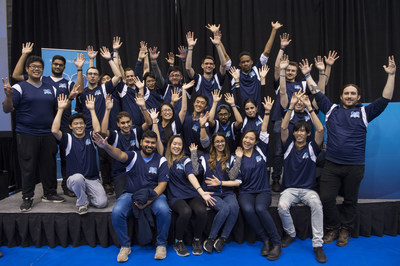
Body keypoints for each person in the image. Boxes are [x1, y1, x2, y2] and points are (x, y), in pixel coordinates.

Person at [309, 56, 396, 247]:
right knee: (326, 198)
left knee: (350, 200)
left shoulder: (365, 112)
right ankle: (332, 228)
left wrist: (391, 75)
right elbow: (316, 92)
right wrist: (308, 74)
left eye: (353, 94)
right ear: (341, 96)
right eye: (346, 93)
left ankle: (345, 230)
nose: (349, 96)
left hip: (354, 166)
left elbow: (385, 99)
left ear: (358, 97)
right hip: (331, 165)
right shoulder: (331, 109)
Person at [12, 42, 85, 197]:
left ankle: (66, 187)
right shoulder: (42, 80)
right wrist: (24, 54)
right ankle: (35, 193)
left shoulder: (66, 82)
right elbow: (16, 76)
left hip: (65, 125)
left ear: (65, 68)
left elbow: (79, 89)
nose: (58, 67)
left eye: (61, 65)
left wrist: (79, 69)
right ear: (51, 65)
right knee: (43, 161)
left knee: (66, 158)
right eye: (55, 64)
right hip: (47, 127)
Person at [93, 130, 171, 262]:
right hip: (131, 194)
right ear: (141, 142)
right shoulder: (133, 155)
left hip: (153, 195)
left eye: (153, 143)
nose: (150, 145)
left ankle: (161, 244)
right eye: (147, 142)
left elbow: (162, 185)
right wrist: (106, 146)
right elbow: (119, 155)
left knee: (164, 211)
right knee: (117, 211)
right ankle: (125, 246)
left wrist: (148, 199)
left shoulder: (161, 160)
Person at [2, 56, 66, 212]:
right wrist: (8, 96)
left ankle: (50, 193)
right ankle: (27, 197)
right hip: (26, 133)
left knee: (49, 165)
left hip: (47, 134)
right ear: (27, 69)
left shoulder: (51, 88)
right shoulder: (19, 87)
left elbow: (57, 108)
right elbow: (6, 109)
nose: (37, 69)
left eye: (39, 67)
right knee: (28, 166)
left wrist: (69, 98)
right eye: (33, 66)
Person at [278, 92, 327, 263]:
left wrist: (309, 107)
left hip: (308, 190)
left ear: (307, 133)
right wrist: (291, 105)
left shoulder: (313, 147)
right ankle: (291, 233)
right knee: (281, 206)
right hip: (290, 189)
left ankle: (318, 245)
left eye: (303, 131)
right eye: (297, 131)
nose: (299, 133)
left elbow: (320, 129)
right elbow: (284, 128)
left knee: (317, 205)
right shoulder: (289, 146)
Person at [76, 46, 122, 195]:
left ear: (98, 76)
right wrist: (87, 63)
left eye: (96, 74)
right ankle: (90, 185)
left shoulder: (103, 89)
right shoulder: (82, 92)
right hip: (86, 130)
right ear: (87, 76)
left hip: (102, 130)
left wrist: (109, 58)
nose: (93, 76)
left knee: (106, 157)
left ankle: (109, 183)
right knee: (89, 160)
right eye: (90, 74)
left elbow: (118, 76)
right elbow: (79, 87)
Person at [51, 93, 108, 214]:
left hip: (92, 179)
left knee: (102, 203)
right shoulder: (68, 139)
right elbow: (54, 130)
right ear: (70, 126)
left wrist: (92, 110)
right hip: (74, 179)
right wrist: (60, 109)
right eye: (75, 124)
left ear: (85, 125)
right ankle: (82, 202)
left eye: (81, 123)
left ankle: (85, 193)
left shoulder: (91, 137)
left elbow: (97, 130)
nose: (79, 126)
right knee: (78, 178)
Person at [192, 133, 242, 253]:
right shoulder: (205, 158)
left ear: (225, 143)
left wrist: (239, 159)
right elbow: (195, 171)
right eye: (217, 142)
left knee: (234, 208)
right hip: (210, 193)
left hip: (227, 193)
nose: (220, 144)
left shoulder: (231, 158)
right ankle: (211, 238)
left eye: (222, 141)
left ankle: (223, 238)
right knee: (224, 209)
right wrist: (194, 153)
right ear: (213, 144)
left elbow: (233, 177)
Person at [270, 33, 307, 192]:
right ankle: (276, 179)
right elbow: (278, 68)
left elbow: (319, 86)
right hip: (280, 120)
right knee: (278, 152)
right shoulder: (280, 81)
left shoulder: (302, 85)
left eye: (293, 70)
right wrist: (282, 48)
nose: (290, 72)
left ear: (297, 72)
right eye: (288, 70)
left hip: (298, 121)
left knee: (298, 150)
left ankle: (295, 179)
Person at [165, 136, 214, 256]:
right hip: (175, 196)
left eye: (179, 144)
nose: (177, 147)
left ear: (182, 147)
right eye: (174, 144)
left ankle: (197, 240)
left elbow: (191, 175)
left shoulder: (185, 160)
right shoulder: (164, 160)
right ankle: (178, 241)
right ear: (170, 145)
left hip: (190, 193)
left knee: (201, 210)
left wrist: (201, 192)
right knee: (186, 211)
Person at [101, 92, 152, 198]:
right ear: (118, 124)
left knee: (143, 195)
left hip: (136, 172)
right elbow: (103, 131)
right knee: (124, 197)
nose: (126, 125)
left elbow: (148, 123)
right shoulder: (115, 135)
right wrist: (107, 110)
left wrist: (143, 107)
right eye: (123, 123)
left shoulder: (136, 132)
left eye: (128, 122)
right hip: (120, 174)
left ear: (131, 122)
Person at [227, 21, 283, 110]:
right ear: (239, 64)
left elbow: (267, 52)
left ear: (252, 62)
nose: (245, 63)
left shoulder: (257, 70)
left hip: (257, 112)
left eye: (247, 61)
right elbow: (226, 59)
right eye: (243, 62)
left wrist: (274, 30)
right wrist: (218, 43)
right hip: (241, 114)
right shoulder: (235, 73)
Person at [185, 30, 227, 110]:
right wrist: (190, 48)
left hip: (216, 117)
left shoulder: (218, 78)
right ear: (202, 66)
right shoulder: (198, 79)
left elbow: (224, 65)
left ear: (214, 66)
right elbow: (188, 68)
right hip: (202, 115)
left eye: (211, 64)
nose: (209, 65)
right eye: (206, 64)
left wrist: (218, 45)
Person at [154, 80, 194, 152]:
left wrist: (184, 90)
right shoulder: (156, 122)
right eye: (165, 111)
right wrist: (172, 102)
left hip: (173, 153)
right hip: (158, 153)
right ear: (160, 113)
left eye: (169, 111)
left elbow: (184, 110)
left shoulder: (175, 123)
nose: (167, 112)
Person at [208, 86, 243, 152]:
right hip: (217, 156)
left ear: (229, 114)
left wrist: (233, 105)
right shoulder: (216, 125)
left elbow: (240, 121)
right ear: (218, 115)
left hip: (230, 157)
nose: (223, 117)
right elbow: (209, 120)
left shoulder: (232, 126)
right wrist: (215, 103)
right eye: (221, 114)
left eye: (225, 114)